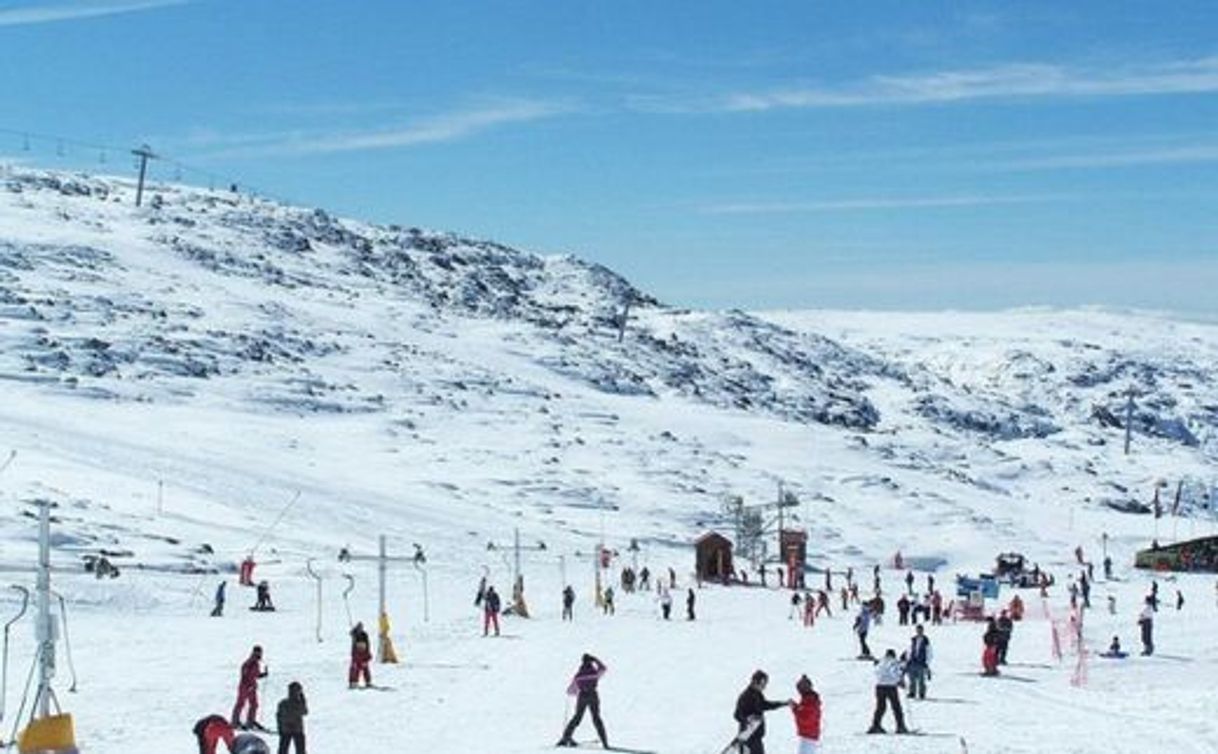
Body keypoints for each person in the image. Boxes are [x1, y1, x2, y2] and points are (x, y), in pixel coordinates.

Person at [557, 654, 609, 748]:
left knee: (577, 717)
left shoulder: (579, 674)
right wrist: (596, 659)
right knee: (596, 718)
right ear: (591, 662)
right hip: (593, 695)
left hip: (582, 696)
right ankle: (604, 742)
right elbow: (603, 668)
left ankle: (566, 737)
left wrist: (574, 689)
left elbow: (571, 691)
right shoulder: (594, 672)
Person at [734, 670, 789, 754]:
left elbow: (765, 705)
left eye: (765, 684)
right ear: (755, 681)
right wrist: (746, 720)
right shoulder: (745, 696)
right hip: (747, 738)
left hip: (756, 737)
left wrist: (783, 703)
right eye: (763, 684)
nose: (764, 687)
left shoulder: (757, 694)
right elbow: (737, 714)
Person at [867, 649, 909, 734]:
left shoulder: (881, 662)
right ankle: (900, 727)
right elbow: (894, 672)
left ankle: (875, 725)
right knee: (896, 707)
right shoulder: (893, 662)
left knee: (880, 707)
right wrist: (899, 681)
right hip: (890, 687)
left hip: (879, 686)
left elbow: (876, 672)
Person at [232, 645, 268, 730]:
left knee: (254, 704)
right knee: (241, 703)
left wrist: (263, 674)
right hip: (246, 687)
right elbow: (244, 675)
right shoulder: (250, 663)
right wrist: (248, 686)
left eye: (260, 652)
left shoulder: (255, 663)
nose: (260, 655)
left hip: (251, 687)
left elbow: (255, 675)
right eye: (258, 652)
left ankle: (250, 721)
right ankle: (235, 721)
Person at [790, 675, 821, 754]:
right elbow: (803, 711)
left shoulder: (810, 701)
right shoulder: (808, 699)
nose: (799, 692)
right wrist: (795, 706)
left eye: (799, 689)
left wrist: (794, 708)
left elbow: (805, 718)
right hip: (808, 735)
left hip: (809, 736)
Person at [275, 681, 307, 754]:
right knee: (300, 750)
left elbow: (278, 717)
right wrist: (303, 699)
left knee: (283, 750)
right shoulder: (298, 703)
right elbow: (304, 711)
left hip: (286, 730)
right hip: (297, 729)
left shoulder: (283, 703)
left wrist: (280, 728)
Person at [905, 624, 932, 700]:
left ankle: (922, 693)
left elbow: (929, 652)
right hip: (912, 661)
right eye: (918, 630)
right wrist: (908, 659)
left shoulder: (926, 640)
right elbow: (909, 650)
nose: (919, 632)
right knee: (912, 679)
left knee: (921, 680)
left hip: (921, 662)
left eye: (920, 630)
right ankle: (912, 692)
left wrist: (927, 662)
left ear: (922, 631)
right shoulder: (913, 639)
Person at [349, 622, 372, 688]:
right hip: (356, 653)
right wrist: (353, 633)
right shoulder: (355, 635)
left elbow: (368, 645)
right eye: (359, 628)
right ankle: (353, 682)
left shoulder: (364, 635)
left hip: (364, 653)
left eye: (361, 628)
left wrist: (367, 655)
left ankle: (368, 682)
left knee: (366, 668)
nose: (360, 629)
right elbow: (354, 647)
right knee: (355, 668)